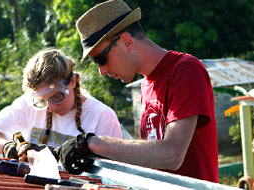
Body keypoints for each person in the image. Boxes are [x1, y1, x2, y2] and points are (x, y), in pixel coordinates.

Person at [57, 0, 218, 183]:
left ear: (126, 42)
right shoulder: (145, 85)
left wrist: (93, 143)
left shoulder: (186, 70)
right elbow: (151, 157)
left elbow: (172, 154)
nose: (101, 71)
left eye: (101, 59)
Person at [0, 48, 122, 159]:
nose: (50, 107)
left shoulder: (102, 116)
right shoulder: (28, 105)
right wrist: (8, 148)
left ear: (73, 82)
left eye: (57, 97)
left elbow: (115, 171)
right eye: (42, 100)